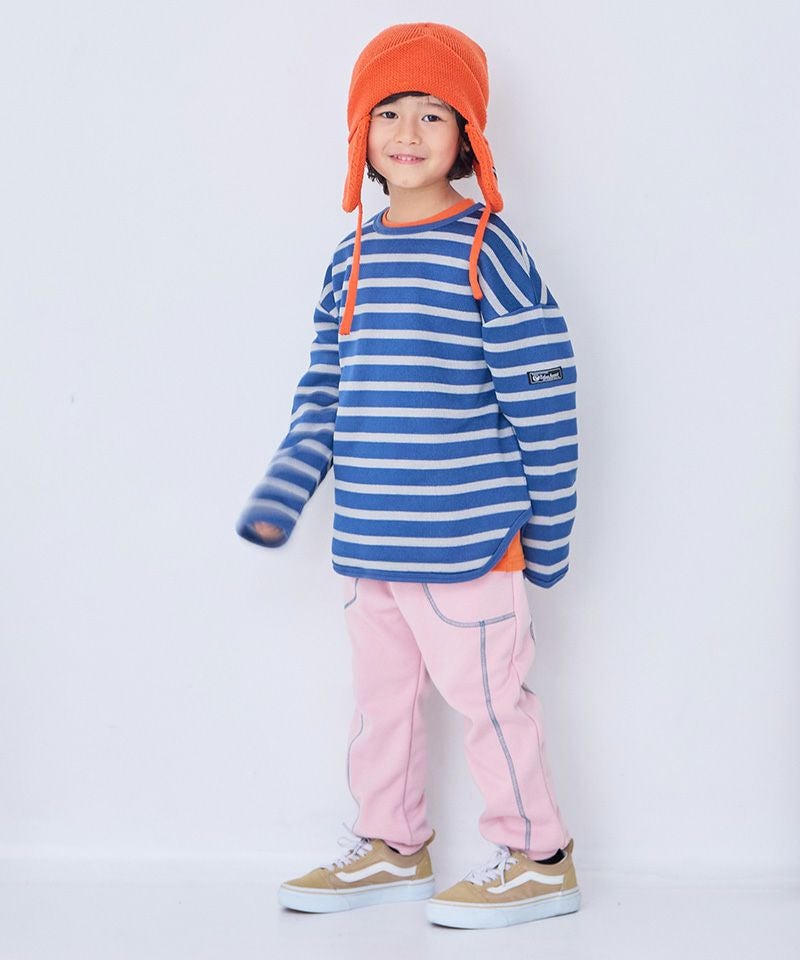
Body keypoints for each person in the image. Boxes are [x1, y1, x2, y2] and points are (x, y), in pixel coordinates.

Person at [235, 22, 580, 930]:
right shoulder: (349, 259)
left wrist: (548, 535)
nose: (409, 132)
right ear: (362, 134)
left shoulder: (488, 250)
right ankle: (392, 845)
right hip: (371, 543)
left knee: (491, 704)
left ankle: (539, 857)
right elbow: (325, 392)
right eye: (389, 112)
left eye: (434, 113)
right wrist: (285, 487)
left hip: (471, 540)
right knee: (381, 706)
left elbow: (546, 400)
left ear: (468, 136)